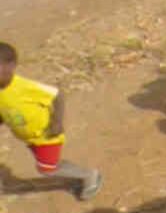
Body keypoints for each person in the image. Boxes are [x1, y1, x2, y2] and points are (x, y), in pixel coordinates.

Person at [0, 42, 103, 201]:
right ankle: (76, 174)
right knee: (51, 163)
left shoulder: (23, 87)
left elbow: (57, 95)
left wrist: (57, 122)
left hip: (46, 134)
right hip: (30, 137)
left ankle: (89, 176)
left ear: (11, 65)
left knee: (46, 169)